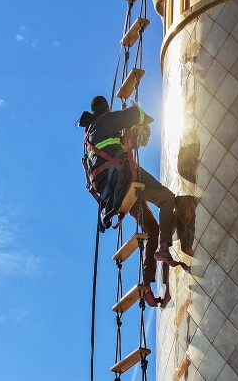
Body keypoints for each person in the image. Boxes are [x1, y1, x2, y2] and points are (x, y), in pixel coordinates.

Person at [78, 95, 186, 307]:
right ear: (107, 109)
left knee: (152, 229)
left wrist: (132, 135)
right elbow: (135, 115)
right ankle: (164, 248)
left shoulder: (89, 136)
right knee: (166, 198)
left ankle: (147, 285)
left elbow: (118, 147)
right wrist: (141, 115)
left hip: (114, 195)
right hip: (124, 178)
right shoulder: (105, 121)